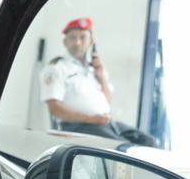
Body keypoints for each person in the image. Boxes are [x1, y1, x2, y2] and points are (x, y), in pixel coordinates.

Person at [40, 17, 160, 147]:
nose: (78, 42)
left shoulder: (95, 67)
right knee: (123, 148)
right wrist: (90, 119)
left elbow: (108, 101)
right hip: (78, 126)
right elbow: (55, 108)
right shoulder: (56, 67)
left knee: (150, 143)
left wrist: (101, 76)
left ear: (91, 41)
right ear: (65, 42)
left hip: (105, 122)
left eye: (83, 37)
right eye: (73, 38)